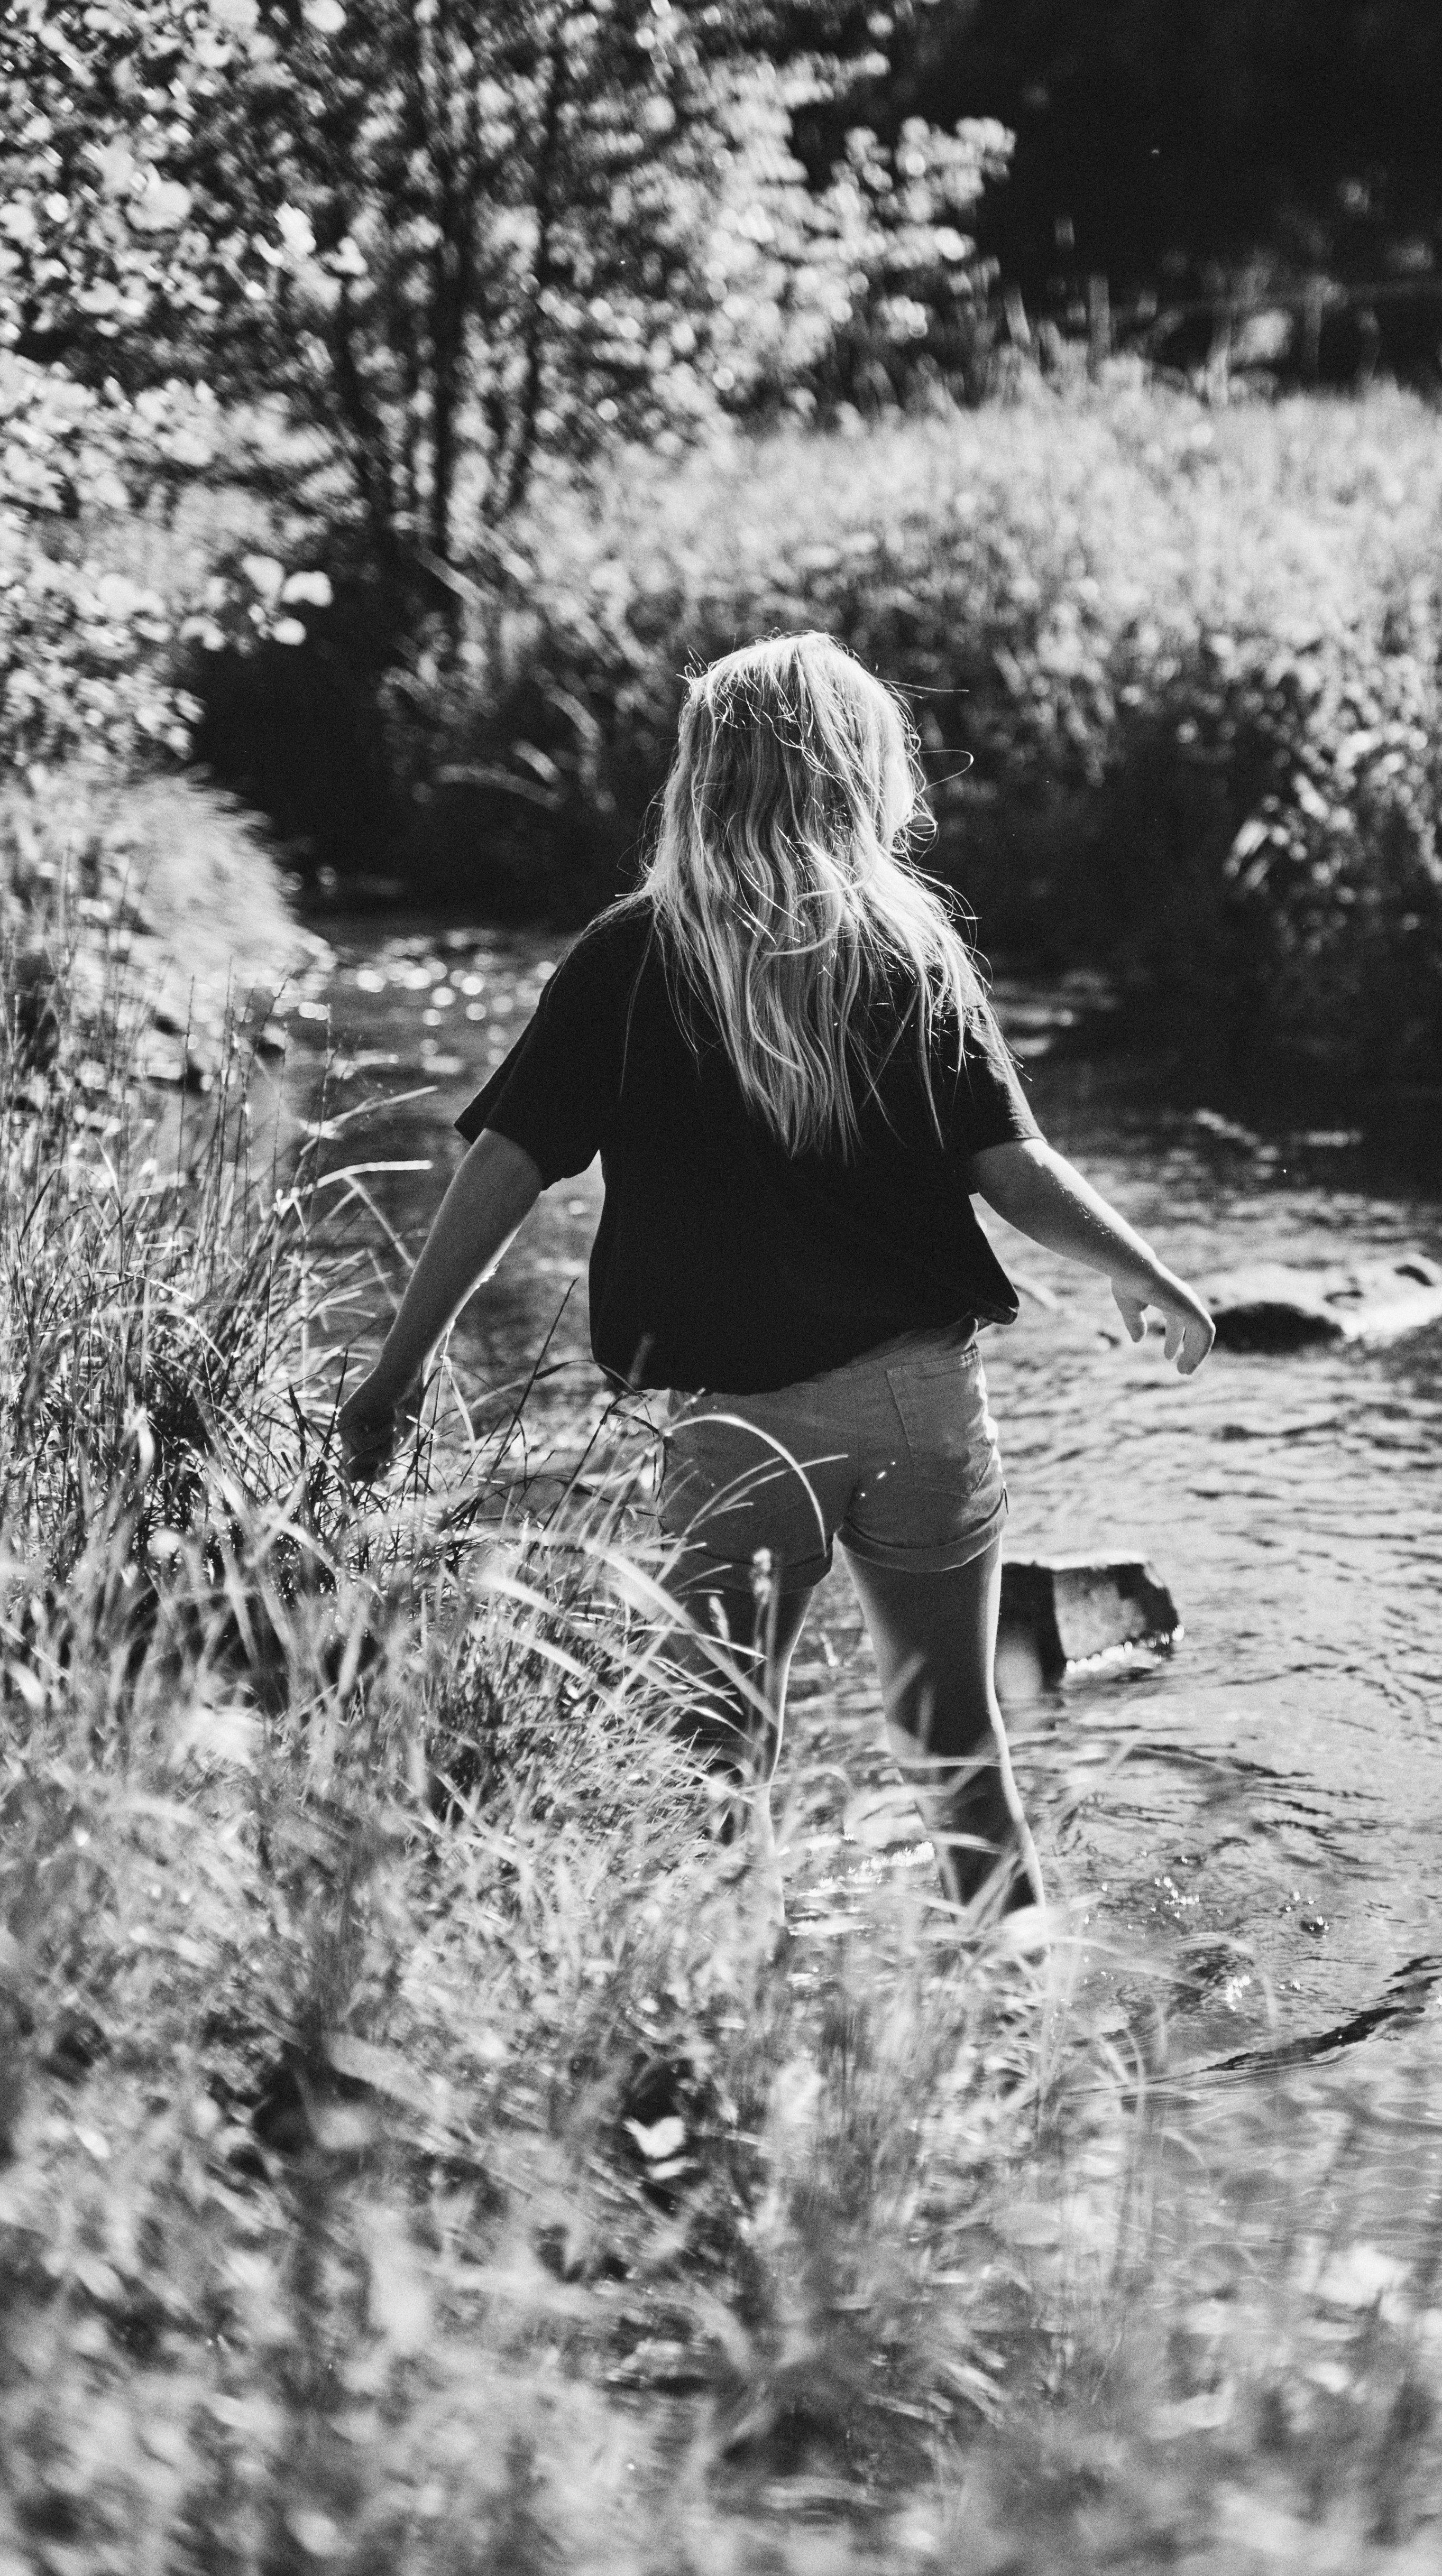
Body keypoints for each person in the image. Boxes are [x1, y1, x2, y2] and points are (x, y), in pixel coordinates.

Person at [337, 633, 1215, 1924]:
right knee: (954, 1745)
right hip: (919, 1405)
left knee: (715, 1752)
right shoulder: (909, 947)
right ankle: (1016, 2005)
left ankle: (734, 2010)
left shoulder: (632, 958)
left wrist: (399, 1366)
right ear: (863, 774)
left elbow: (504, 1168)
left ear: (702, 775)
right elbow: (1015, 1170)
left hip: (737, 1425)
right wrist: (1151, 1275)